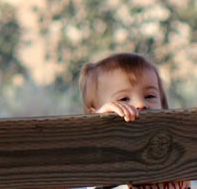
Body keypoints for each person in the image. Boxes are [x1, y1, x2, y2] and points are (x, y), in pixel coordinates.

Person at [79, 52, 190, 189]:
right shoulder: (104, 156)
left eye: (150, 96)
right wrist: (99, 126)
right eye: (124, 99)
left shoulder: (175, 142)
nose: (140, 104)